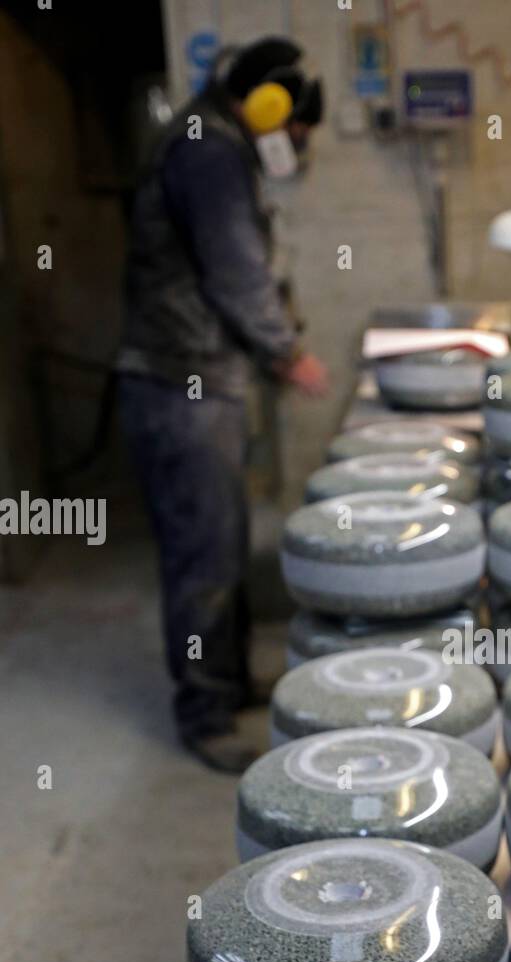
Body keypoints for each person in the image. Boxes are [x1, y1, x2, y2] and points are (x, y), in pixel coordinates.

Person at [117, 36, 328, 773]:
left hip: (202, 380)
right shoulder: (209, 152)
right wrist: (288, 352)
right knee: (202, 557)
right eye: (293, 129)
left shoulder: (212, 139)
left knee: (224, 542)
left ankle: (232, 680)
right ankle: (203, 714)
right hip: (182, 384)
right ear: (268, 105)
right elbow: (235, 269)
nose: (291, 143)